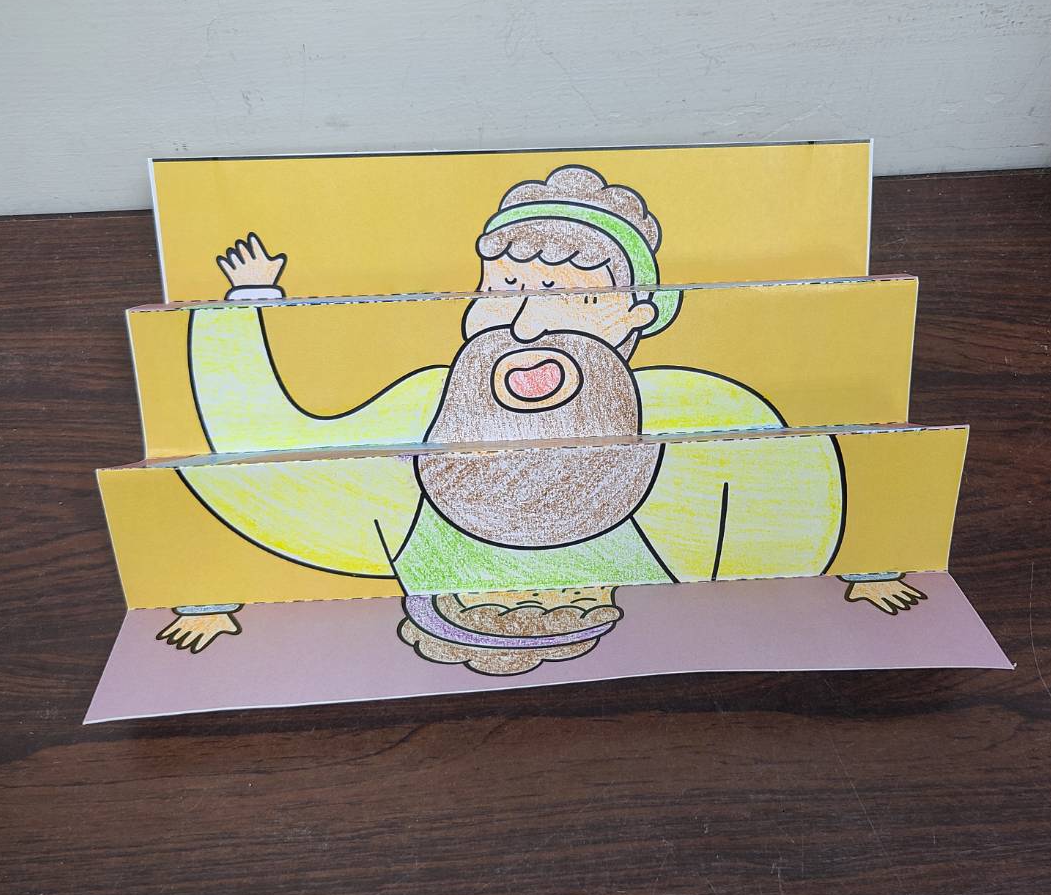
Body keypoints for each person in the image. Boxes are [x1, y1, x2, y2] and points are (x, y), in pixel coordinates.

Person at [157, 165, 925, 657]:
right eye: (501, 291)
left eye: (567, 297)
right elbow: (270, 456)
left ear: (636, 314)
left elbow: (798, 483)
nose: (525, 323)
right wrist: (245, 304)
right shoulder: (431, 404)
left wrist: (864, 563)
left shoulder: (690, 407)